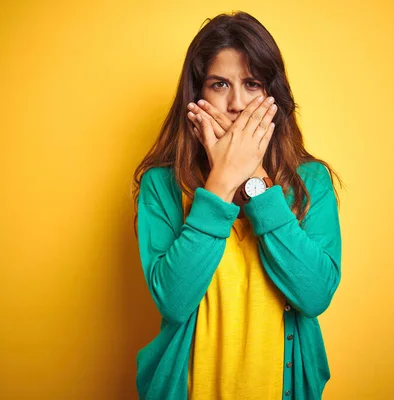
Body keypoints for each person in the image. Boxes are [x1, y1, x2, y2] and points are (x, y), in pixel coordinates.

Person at [131, 10, 343, 400]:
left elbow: (314, 295)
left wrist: (254, 179)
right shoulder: (160, 185)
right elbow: (174, 302)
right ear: (196, 95)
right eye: (219, 84)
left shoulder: (312, 183)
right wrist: (221, 182)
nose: (235, 103)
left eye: (252, 84)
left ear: (272, 96)